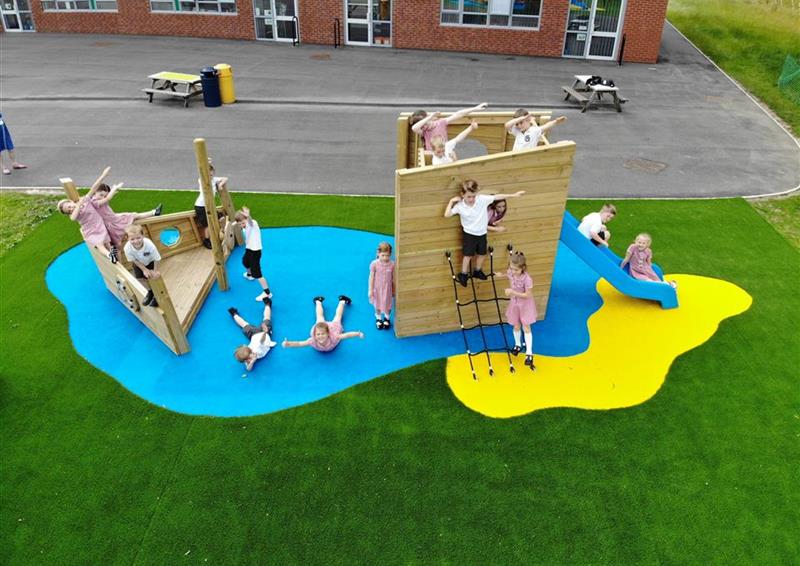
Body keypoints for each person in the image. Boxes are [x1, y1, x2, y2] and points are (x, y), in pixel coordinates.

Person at [444, 179, 525, 287]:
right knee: (468, 255)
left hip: (482, 234)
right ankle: (463, 274)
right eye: (469, 197)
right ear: (462, 195)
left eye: (473, 196)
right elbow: (447, 214)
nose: (472, 199)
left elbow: (497, 196)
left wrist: (513, 195)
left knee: (482, 254)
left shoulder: (481, 199)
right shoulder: (460, 206)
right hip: (469, 234)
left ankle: (477, 271)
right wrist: (451, 202)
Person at [56, 167, 118, 263]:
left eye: (69, 206)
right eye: (68, 210)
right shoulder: (75, 213)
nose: (70, 209)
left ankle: (114, 258)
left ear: (70, 202)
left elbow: (94, 188)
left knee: (107, 243)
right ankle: (109, 255)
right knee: (99, 244)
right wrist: (78, 205)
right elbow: (73, 218)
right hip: (90, 230)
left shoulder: (86, 200)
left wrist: (104, 175)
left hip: (99, 226)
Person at [90, 167, 162, 247]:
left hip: (114, 218)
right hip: (113, 223)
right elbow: (107, 198)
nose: (103, 197)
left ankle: (154, 212)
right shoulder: (95, 202)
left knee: (134, 215)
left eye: (104, 195)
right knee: (118, 243)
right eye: (101, 195)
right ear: (95, 192)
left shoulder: (95, 200)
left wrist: (113, 192)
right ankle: (154, 212)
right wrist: (114, 189)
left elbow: (107, 197)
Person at [494, 251, 537, 368]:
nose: (512, 272)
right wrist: (500, 275)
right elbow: (507, 274)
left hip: (525, 305)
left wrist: (513, 292)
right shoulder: (511, 272)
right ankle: (518, 345)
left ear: (522, 268)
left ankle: (529, 353)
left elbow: (527, 295)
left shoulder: (527, 279)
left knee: (526, 327)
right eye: (511, 269)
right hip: (515, 304)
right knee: (516, 325)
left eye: (515, 270)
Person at [282, 295, 364, 352]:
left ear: (328, 334)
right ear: (315, 334)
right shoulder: (313, 340)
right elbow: (300, 343)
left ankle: (342, 301)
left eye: (322, 334)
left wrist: (357, 334)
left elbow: (346, 335)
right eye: (318, 334)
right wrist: (288, 344)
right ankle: (318, 301)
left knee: (338, 317)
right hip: (320, 326)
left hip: (333, 327)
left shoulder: (334, 336)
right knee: (319, 317)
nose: (320, 336)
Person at [410, 102, 488, 150]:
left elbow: (458, 114)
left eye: (427, 121)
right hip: (432, 156)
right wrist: (429, 117)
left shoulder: (440, 123)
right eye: (424, 123)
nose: (427, 124)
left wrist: (475, 108)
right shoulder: (424, 131)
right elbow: (414, 128)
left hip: (444, 151)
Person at [229, 297, 277, 372]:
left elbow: (261, 341)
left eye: (249, 357)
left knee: (245, 325)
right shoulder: (247, 359)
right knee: (265, 319)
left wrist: (264, 332)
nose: (249, 359)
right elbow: (248, 369)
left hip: (256, 334)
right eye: (248, 359)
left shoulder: (253, 350)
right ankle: (267, 304)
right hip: (260, 335)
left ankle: (234, 314)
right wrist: (252, 362)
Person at [235, 206, 272, 302]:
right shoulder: (244, 225)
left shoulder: (253, 223)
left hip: (255, 251)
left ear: (246, 219)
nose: (242, 225)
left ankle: (267, 293)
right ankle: (249, 274)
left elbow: (250, 222)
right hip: (249, 249)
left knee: (257, 273)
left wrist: (248, 216)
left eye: (243, 223)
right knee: (245, 262)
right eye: (240, 224)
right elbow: (237, 222)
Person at [123, 224, 162, 307]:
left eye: (138, 238)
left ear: (143, 236)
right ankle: (150, 292)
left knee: (153, 277)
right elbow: (134, 260)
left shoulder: (149, 245)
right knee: (140, 278)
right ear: (127, 239)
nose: (136, 241)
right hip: (139, 263)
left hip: (151, 261)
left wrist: (155, 271)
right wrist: (144, 269)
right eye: (132, 239)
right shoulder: (127, 248)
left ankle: (157, 295)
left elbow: (157, 258)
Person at [195, 160, 228, 249]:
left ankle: (223, 234)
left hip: (210, 206)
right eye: (208, 175)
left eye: (212, 174)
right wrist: (207, 163)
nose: (210, 176)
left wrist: (220, 185)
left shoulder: (214, 179)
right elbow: (202, 172)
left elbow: (225, 178)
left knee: (221, 217)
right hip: (201, 206)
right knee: (207, 225)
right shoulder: (201, 180)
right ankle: (206, 240)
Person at [368, 242, 395, 330]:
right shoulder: (374, 264)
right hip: (377, 289)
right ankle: (379, 318)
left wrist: (394, 289)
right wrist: (370, 290)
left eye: (387, 255)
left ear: (390, 254)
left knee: (388, 304)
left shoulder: (392, 264)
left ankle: (387, 318)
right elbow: (371, 278)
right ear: (378, 253)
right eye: (383, 255)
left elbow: (393, 278)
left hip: (388, 289)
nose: (385, 258)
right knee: (377, 304)